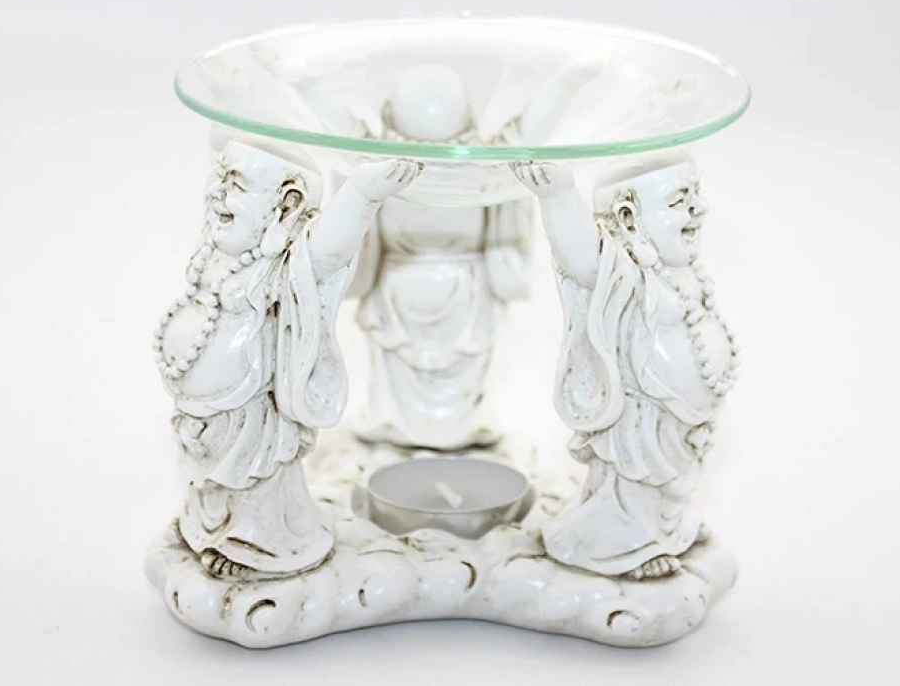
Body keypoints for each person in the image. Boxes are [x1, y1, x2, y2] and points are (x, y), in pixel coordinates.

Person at [262, 52, 606, 449]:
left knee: (463, 378)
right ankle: (395, 432)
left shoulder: (469, 165)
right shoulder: (389, 166)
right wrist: (304, 83)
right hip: (399, 289)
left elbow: (344, 133)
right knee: (394, 382)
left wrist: (567, 81)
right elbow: (344, 134)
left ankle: (463, 432)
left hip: (464, 293)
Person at [153, 139, 419, 577]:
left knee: (255, 485)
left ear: (286, 206)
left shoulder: (277, 267)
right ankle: (208, 531)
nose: (218, 193)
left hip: (251, 415)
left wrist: (361, 193)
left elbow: (327, 251)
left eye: (235, 184)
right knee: (209, 486)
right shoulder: (215, 257)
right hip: (202, 415)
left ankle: (257, 543)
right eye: (218, 180)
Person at [514, 153, 739, 579]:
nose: (700, 208)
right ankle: (624, 543)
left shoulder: (682, 272)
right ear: (629, 219)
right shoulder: (627, 274)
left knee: (673, 484)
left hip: (682, 422)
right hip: (641, 417)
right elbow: (581, 255)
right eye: (680, 201)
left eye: (696, 194)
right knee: (634, 487)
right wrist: (559, 194)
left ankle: (669, 530)